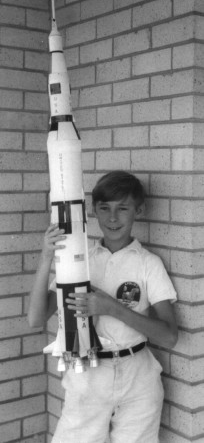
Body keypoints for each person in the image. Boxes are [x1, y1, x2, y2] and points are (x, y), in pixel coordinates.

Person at [28, 170, 178, 443]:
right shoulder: (79, 258)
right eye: (105, 208)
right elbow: (36, 318)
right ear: (94, 211)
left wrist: (112, 308)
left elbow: (169, 335)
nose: (112, 218)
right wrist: (47, 256)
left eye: (123, 208)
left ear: (139, 211)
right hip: (87, 375)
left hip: (138, 376)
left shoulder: (148, 263)